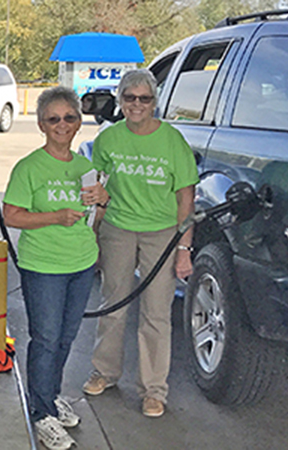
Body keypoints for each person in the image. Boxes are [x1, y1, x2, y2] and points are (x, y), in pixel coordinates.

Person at [82, 69, 199, 418]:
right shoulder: (109, 139)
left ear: (154, 102)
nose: (136, 105)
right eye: (129, 98)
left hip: (161, 234)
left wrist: (184, 248)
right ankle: (105, 372)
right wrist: (92, 233)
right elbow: (96, 185)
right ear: (120, 100)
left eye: (144, 99)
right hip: (118, 228)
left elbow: (186, 198)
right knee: (112, 305)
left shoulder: (172, 141)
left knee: (156, 313)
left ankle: (153, 390)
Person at [3, 87, 108, 450]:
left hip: (81, 263)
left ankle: (49, 397)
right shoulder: (29, 168)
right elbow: (12, 215)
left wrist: (103, 201)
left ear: (79, 122)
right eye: (53, 119)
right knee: (45, 339)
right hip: (43, 266)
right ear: (41, 125)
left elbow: (95, 219)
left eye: (69, 117)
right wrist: (55, 217)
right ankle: (40, 412)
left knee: (65, 338)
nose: (62, 125)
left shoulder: (86, 168)